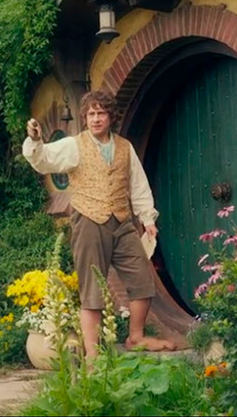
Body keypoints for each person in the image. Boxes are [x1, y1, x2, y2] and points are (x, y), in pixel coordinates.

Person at [23, 89, 176, 359]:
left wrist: (147, 219)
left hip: (122, 221)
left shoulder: (125, 148)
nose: (96, 119)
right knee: (92, 289)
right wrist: (35, 140)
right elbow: (43, 160)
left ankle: (136, 337)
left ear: (110, 116)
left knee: (142, 280)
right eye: (91, 114)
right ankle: (92, 355)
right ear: (85, 118)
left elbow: (138, 185)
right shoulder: (74, 145)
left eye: (101, 113)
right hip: (88, 220)